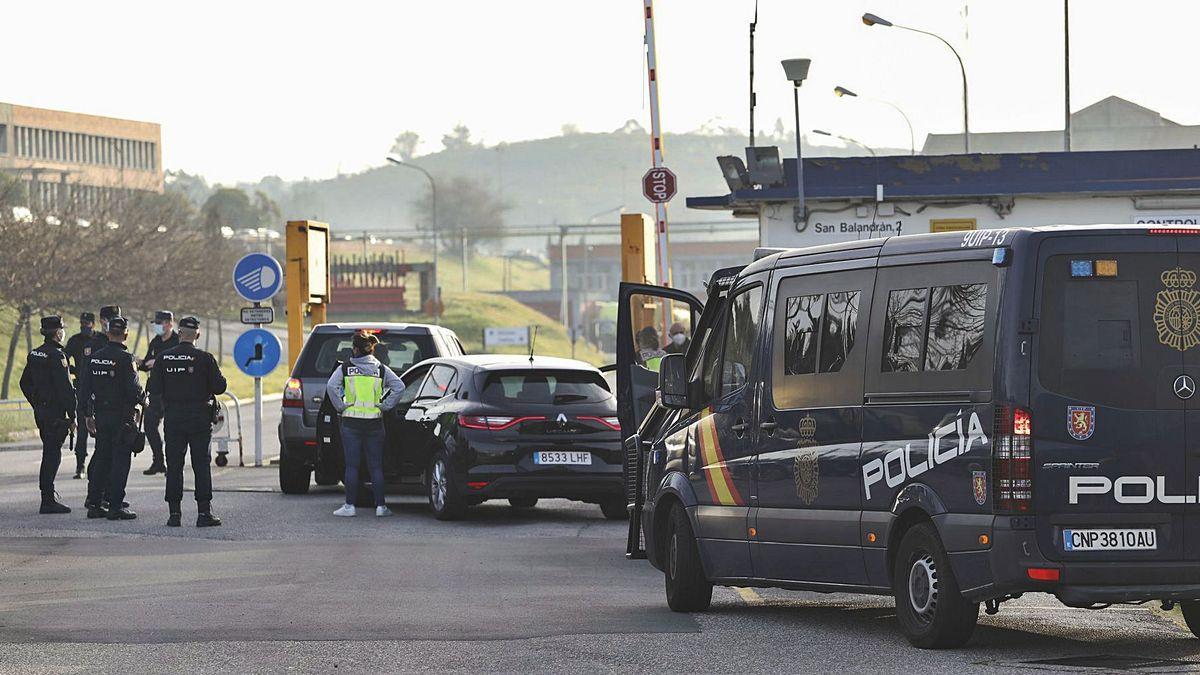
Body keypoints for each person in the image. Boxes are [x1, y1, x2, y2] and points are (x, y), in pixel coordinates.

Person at [150, 316, 227, 528]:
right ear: (198, 335)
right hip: (200, 418)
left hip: (174, 417)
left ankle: (174, 514)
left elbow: (153, 389)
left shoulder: (164, 358)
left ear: (179, 333)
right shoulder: (205, 359)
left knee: (174, 465)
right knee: (201, 464)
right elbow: (220, 387)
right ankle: (204, 513)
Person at [325, 331, 404, 517]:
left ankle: (350, 507)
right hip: (375, 423)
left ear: (354, 349)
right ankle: (381, 507)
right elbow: (399, 387)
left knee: (352, 466)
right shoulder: (381, 369)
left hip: (351, 422)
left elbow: (330, 386)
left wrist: (341, 406)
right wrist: (385, 406)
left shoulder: (345, 368)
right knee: (375, 466)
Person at [79, 316, 143, 521]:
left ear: (107, 333)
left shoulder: (95, 357)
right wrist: (144, 398)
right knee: (120, 461)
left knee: (102, 459)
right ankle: (116, 505)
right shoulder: (126, 359)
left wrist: (87, 414)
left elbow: (84, 388)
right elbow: (133, 391)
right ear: (125, 334)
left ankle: (95, 504)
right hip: (122, 418)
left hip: (101, 416)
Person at [18, 316, 76, 514]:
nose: (63, 332)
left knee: (49, 452)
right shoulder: (58, 356)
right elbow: (66, 389)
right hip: (55, 414)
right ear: (57, 332)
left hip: (42, 412)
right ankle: (48, 499)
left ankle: (47, 497)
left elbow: (24, 382)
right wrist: (74, 415)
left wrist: (37, 402)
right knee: (52, 455)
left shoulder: (35, 354)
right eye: (61, 329)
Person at [137, 310, 179, 476]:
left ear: (169, 324)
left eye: (160, 323)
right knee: (149, 426)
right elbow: (147, 363)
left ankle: (172, 464)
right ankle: (158, 461)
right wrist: (139, 363)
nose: (157, 326)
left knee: (171, 430)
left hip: (172, 392)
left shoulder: (177, 341)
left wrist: (159, 361)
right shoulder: (155, 341)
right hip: (155, 391)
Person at [63, 312, 96, 479]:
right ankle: (80, 465)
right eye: (82, 323)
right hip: (82, 388)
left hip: (99, 390)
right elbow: (64, 358)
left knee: (101, 430)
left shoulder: (98, 340)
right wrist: (75, 371)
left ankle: (99, 465)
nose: (84, 326)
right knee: (82, 429)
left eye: (87, 323)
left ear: (93, 324)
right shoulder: (75, 341)